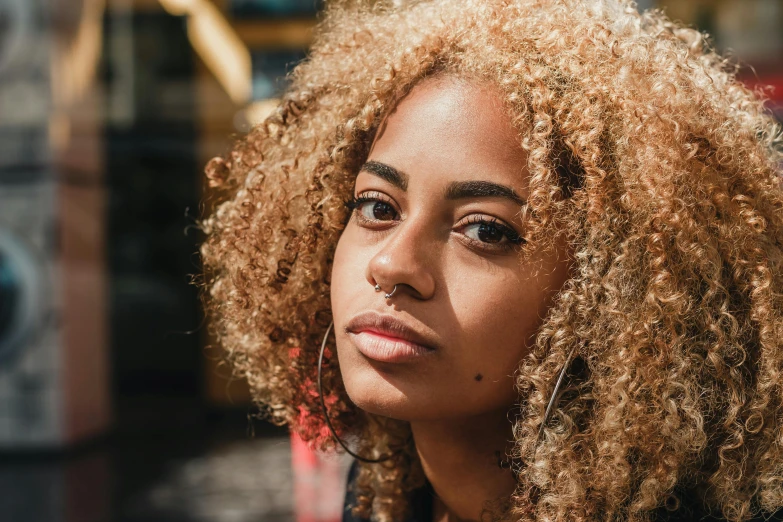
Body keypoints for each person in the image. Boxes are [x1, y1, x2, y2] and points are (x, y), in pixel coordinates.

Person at [199, 1, 783, 521]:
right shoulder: (385, 492)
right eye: (377, 207)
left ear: (613, 293)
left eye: (484, 229)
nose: (392, 264)